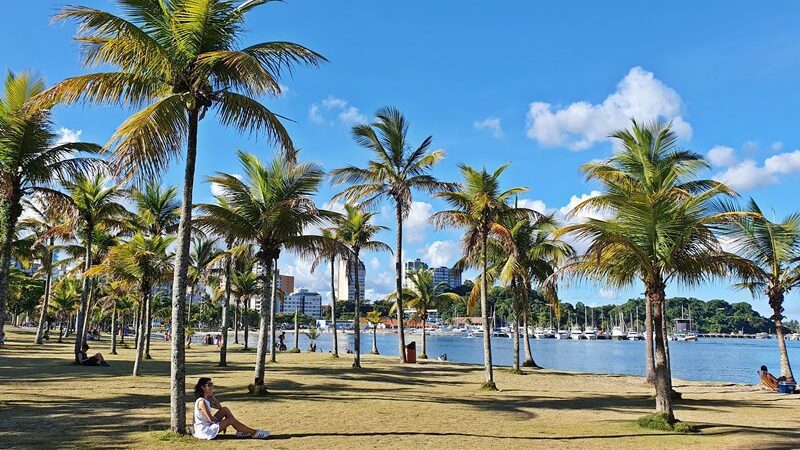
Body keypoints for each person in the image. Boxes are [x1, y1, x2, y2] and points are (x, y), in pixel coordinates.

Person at [193, 377, 269, 440]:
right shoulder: (201, 402)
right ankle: (254, 433)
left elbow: (219, 407)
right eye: (209, 385)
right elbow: (211, 419)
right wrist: (223, 423)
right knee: (230, 420)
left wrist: (212, 396)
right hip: (204, 430)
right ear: (202, 387)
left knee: (225, 409)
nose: (211, 387)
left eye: (212, 385)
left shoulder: (206, 400)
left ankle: (241, 430)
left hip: (208, 425)